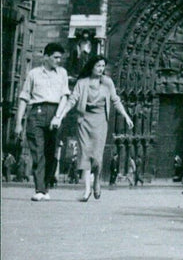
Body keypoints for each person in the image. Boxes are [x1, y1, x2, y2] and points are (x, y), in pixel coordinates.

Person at [51, 56, 133, 201]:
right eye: (98, 66)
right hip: (84, 120)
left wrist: (126, 116)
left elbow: (115, 100)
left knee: (97, 158)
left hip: (100, 120)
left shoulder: (108, 83)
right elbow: (72, 100)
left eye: (103, 66)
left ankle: (96, 181)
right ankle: (87, 190)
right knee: (85, 155)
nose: (101, 69)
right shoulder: (82, 83)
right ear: (91, 67)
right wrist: (61, 115)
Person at [14, 42, 70, 201]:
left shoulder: (62, 73)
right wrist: (19, 123)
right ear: (46, 57)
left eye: (60, 58)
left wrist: (58, 117)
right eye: (55, 57)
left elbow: (64, 96)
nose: (58, 61)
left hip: (55, 112)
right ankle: (39, 189)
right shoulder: (33, 74)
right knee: (38, 151)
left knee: (51, 153)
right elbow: (24, 97)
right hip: (36, 112)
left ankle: (45, 187)